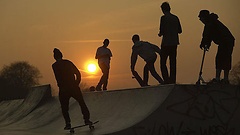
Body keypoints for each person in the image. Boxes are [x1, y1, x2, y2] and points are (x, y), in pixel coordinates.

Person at [52, 48, 92, 130]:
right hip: (73, 87)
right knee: (82, 103)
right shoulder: (68, 63)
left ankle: (68, 123)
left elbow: (58, 77)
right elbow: (78, 73)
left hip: (63, 89)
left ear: (55, 57)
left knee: (64, 108)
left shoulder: (54, 66)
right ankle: (87, 119)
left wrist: (61, 85)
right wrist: (76, 83)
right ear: (61, 55)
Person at [198, 10, 235, 84]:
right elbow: (209, 36)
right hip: (226, 41)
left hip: (226, 41)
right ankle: (224, 79)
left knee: (221, 58)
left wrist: (204, 44)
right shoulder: (211, 22)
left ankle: (221, 79)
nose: (200, 20)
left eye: (201, 18)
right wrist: (206, 44)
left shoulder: (210, 23)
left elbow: (206, 36)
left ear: (204, 17)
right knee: (224, 58)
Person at [158, 2, 182, 84]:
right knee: (173, 62)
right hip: (174, 43)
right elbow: (180, 30)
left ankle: (166, 80)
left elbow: (161, 31)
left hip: (166, 43)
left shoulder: (163, 18)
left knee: (162, 62)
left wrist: (160, 34)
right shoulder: (175, 18)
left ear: (162, 9)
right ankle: (172, 80)